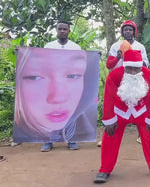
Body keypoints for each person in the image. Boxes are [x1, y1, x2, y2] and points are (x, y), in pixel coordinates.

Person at [94, 50, 150, 183]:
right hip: (119, 110)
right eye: (129, 68)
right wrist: (109, 120)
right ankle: (105, 169)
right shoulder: (114, 76)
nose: (133, 72)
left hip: (141, 110)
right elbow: (108, 99)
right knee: (110, 136)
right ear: (124, 66)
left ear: (141, 66)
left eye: (136, 68)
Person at [13, 47, 98, 145]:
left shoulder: (75, 46)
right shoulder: (49, 45)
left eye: (73, 76)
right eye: (35, 77)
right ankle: (48, 143)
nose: (58, 98)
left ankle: (72, 141)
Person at [40, 20, 83, 151]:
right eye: (60, 29)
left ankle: (70, 139)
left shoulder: (75, 47)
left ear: (69, 31)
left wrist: (95, 56)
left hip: (69, 85)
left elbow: (80, 64)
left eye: (65, 29)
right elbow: (42, 63)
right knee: (50, 111)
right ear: (57, 31)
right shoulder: (49, 46)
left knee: (70, 112)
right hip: (52, 84)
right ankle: (49, 141)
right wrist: (23, 53)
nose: (62, 31)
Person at [105, 20, 149, 145]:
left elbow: (146, 65)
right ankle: (110, 134)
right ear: (122, 32)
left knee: (139, 109)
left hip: (135, 82)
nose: (128, 32)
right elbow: (109, 65)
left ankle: (142, 135)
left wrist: (134, 58)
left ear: (134, 31)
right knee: (115, 109)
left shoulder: (140, 47)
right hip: (119, 82)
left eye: (130, 29)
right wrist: (118, 56)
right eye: (125, 30)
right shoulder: (115, 46)